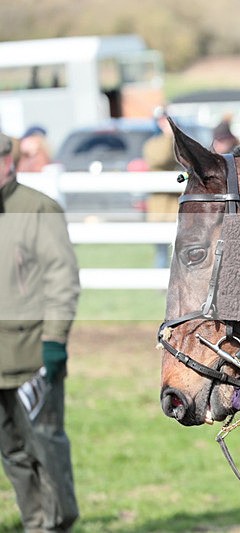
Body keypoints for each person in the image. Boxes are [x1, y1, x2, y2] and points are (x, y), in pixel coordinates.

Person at [0, 132, 81, 532]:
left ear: (6, 162)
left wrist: (54, 340)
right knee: (12, 452)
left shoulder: (37, 209)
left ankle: (56, 523)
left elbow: (61, 279)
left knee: (45, 447)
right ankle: (35, 523)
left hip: (32, 355)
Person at [142, 106, 181, 268]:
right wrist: (168, 136)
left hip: (177, 206)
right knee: (161, 254)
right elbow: (161, 159)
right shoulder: (152, 144)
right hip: (159, 208)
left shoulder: (179, 142)